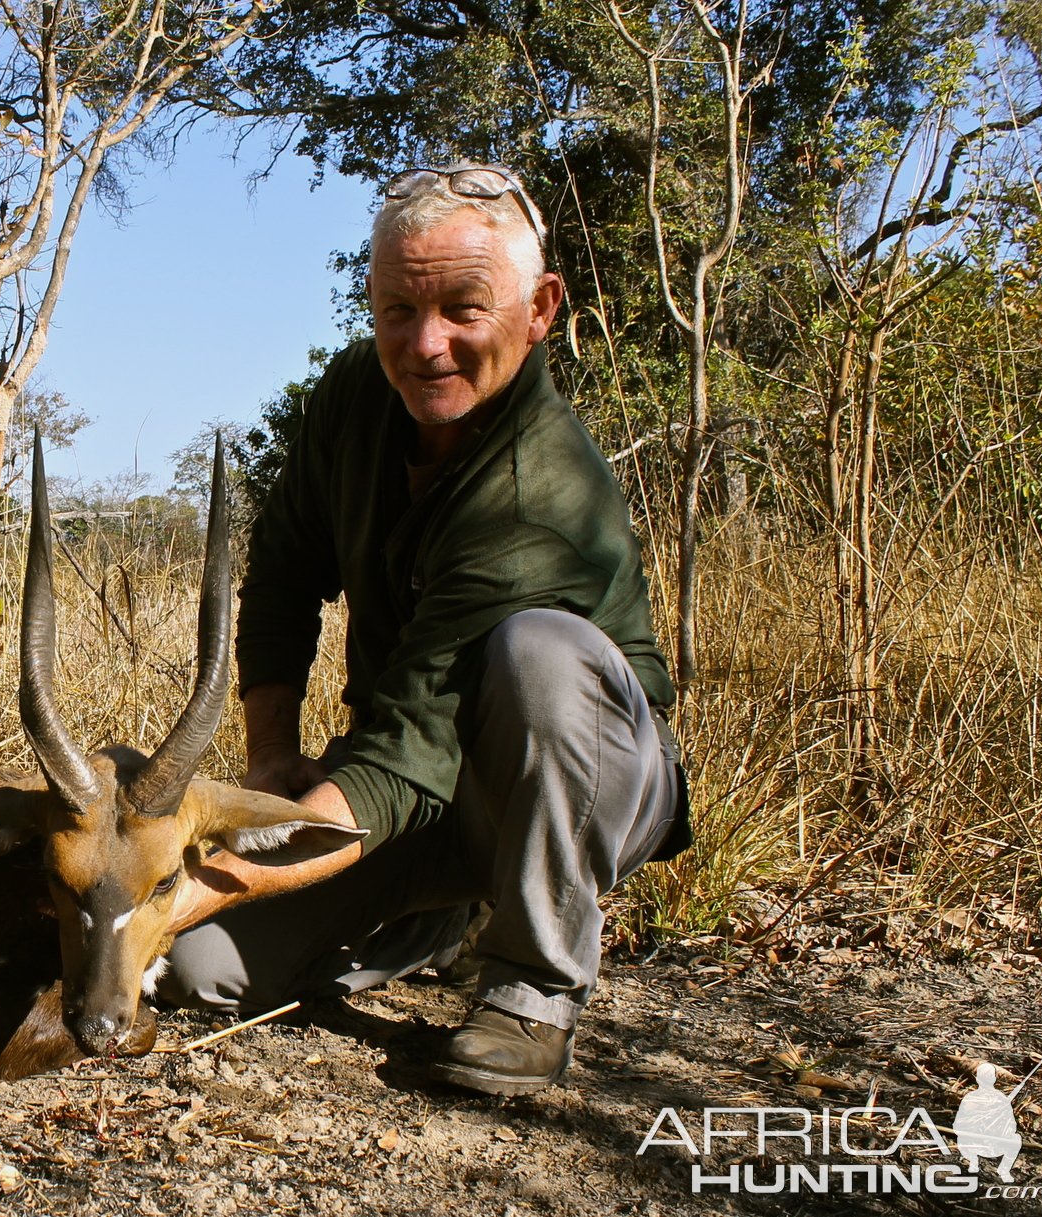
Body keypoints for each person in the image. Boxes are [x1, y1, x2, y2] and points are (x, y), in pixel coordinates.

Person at [159, 163, 690, 1096]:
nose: (425, 345)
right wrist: (270, 759)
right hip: (420, 785)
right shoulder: (355, 393)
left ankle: (533, 986)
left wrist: (178, 890)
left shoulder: (544, 491)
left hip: (574, 784)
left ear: (541, 308)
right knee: (200, 969)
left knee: (541, 657)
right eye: (397, 309)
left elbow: (408, 751)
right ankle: (439, 918)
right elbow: (282, 574)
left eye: (463, 308)